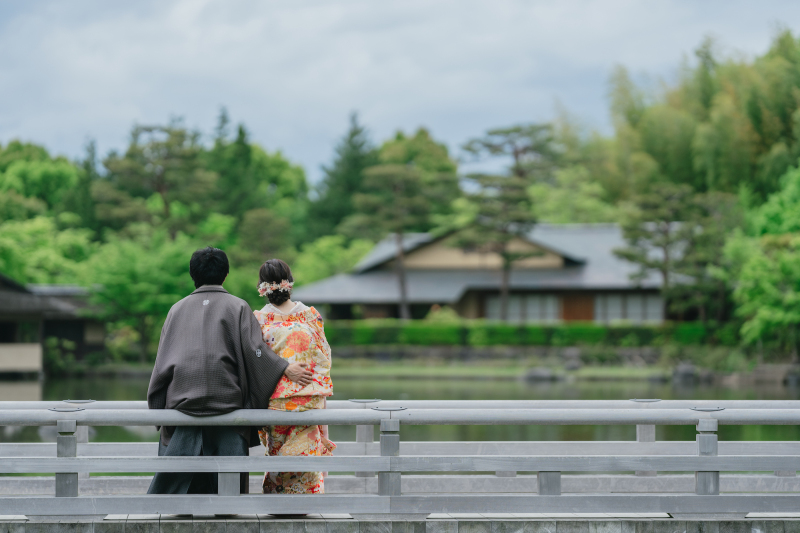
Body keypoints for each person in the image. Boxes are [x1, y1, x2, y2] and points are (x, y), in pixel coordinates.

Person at [147, 247, 314, 495]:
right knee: (228, 496)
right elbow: (256, 351)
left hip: (182, 405)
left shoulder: (176, 310)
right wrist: (283, 367)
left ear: (193, 274)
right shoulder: (238, 307)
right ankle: (227, 502)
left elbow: (162, 361)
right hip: (227, 403)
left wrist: (157, 407)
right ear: (225, 275)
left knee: (177, 494)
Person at [253, 258, 335, 494]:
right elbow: (324, 359)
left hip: (275, 402)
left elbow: (255, 360)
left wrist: (280, 372)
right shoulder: (310, 317)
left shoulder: (258, 320)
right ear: (289, 282)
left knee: (278, 462)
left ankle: (278, 506)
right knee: (306, 464)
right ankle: (303, 508)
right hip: (310, 399)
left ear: (261, 287)